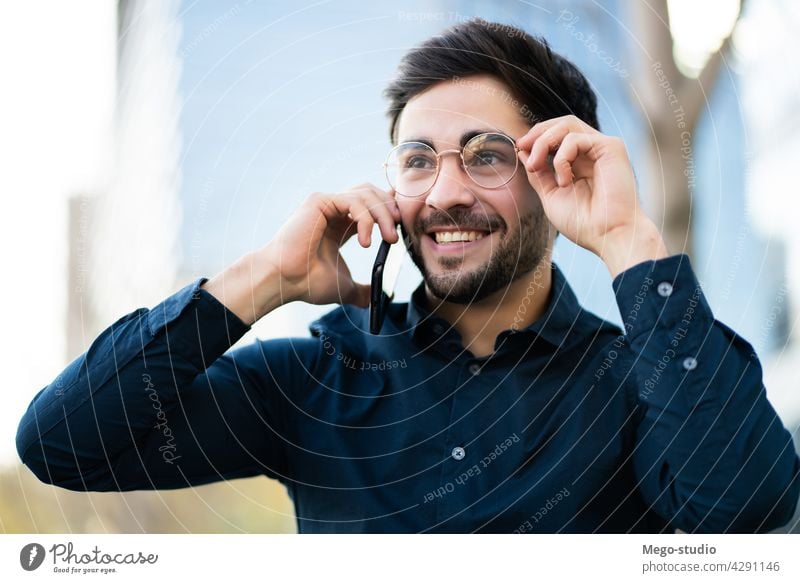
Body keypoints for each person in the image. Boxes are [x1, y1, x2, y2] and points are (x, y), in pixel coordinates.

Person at [16, 18, 799, 533]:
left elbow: (751, 518)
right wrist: (266, 276)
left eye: (487, 155)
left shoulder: (639, 386)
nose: (446, 191)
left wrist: (630, 239)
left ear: (559, 169)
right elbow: (61, 443)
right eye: (418, 161)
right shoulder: (315, 379)